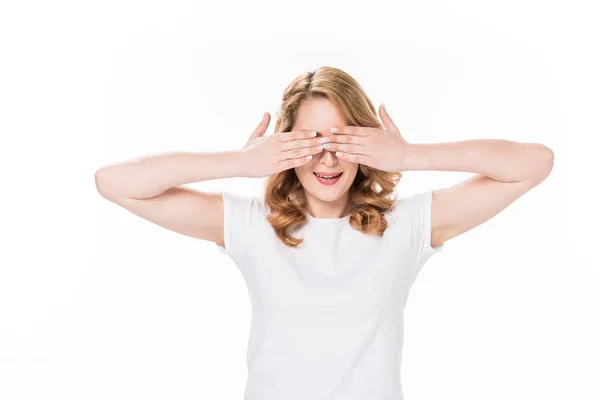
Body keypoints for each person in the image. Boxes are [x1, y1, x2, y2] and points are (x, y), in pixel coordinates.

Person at [95, 66, 554, 400]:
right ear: (284, 147)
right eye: (310, 142)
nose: (328, 159)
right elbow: (113, 183)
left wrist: (409, 156)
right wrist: (237, 164)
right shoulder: (252, 226)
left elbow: (534, 164)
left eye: (341, 141)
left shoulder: (407, 226)